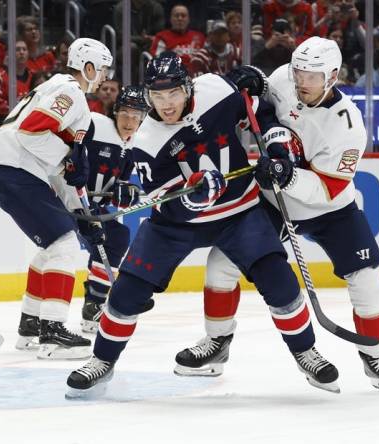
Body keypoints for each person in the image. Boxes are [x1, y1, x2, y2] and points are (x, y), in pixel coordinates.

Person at [66, 51, 340, 398]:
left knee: (279, 279)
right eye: (157, 97)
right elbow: (168, 204)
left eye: (173, 95)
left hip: (239, 211)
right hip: (174, 226)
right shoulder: (147, 140)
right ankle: (102, 360)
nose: (166, 105)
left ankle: (305, 352)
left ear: (187, 86)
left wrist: (275, 141)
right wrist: (194, 196)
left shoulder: (215, 90)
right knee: (127, 293)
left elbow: (260, 108)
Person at [174, 37, 379, 394]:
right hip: (274, 201)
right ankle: (217, 343)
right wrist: (252, 81)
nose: (302, 81)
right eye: (299, 71)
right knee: (222, 262)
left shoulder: (348, 127)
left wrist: (289, 175)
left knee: (366, 278)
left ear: (332, 76)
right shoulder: (285, 78)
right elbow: (260, 100)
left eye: (312, 76)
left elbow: (329, 188)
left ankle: (375, 356)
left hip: (332, 209)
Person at [0, 38, 113, 360]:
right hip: (12, 170)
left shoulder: (57, 88)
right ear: (89, 67)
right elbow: (32, 132)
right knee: (64, 245)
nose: (107, 77)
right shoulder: (71, 93)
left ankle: (31, 325)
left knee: (53, 247)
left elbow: (63, 173)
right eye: (104, 69)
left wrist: (83, 214)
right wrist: (68, 157)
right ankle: (52, 332)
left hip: (6, 170)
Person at [78, 85, 149, 334]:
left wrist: (124, 191)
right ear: (115, 111)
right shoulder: (95, 124)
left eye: (136, 116)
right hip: (71, 203)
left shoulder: (132, 145)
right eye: (126, 113)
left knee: (118, 236)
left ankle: (93, 306)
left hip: (92, 209)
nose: (130, 121)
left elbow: (116, 190)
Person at [0, 40, 33, 118]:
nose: (21, 52)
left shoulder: (33, 77)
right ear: (8, 54)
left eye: (24, 49)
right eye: (17, 50)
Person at [149, 3, 205, 69]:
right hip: (173, 74)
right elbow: (158, 61)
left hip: (198, 74)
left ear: (188, 19)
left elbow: (209, 59)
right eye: (176, 15)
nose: (180, 18)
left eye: (183, 16)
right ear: (170, 19)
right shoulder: (161, 37)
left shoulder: (200, 36)